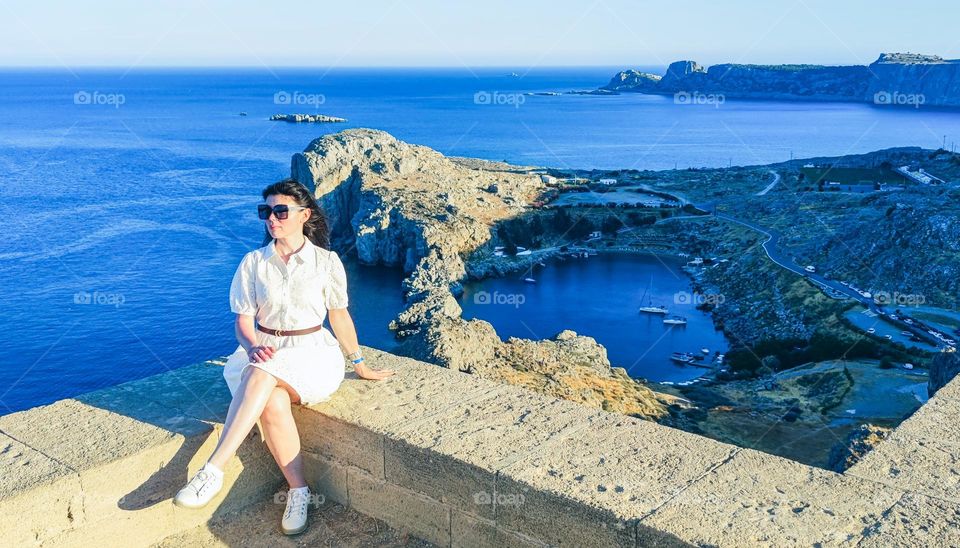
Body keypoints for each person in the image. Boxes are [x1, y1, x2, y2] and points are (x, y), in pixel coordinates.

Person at [173, 179, 395, 535]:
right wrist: (249, 346)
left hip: (311, 355)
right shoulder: (253, 263)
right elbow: (243, 321)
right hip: (263, 349)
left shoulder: (326, 262)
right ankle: (299, 491)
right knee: (272, 398)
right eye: (266, 212)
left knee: (260, 375)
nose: (271, 219)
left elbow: (339, 315)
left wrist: (359, 363)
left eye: (280, 211)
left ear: (304, 215)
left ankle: (212, 470)